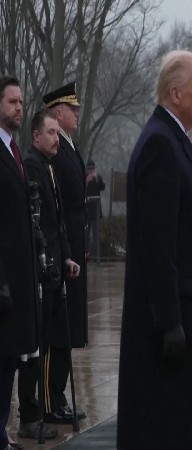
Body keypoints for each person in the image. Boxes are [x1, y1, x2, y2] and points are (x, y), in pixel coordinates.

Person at [117, 50, 192, 450]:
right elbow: (156, 245)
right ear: (175, 93)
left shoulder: (174, 139)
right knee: (172, 428)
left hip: (188, 314)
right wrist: (169, 322)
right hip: (174, 325)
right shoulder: (161, 145)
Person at [18, 109, 81, 440]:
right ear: (36, 136)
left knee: (53, 339)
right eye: (52, 133)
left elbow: (58, 221)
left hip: (57, 264)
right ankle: (38, 409)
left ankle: (46, 405)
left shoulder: (50, 166)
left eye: (59, 133)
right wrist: (49, 260)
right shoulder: (31, 165)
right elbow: (37, 223)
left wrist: (67, 255)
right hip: (43, 271)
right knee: (39, 345)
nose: (57, 139)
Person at [42, 81, 87, 423]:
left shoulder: (70, 146)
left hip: (72, 247)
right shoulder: (57, 152)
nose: (77, 113)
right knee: (59, 327)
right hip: (62, 247)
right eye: (72, 109)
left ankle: (58, 394)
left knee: (69, 327)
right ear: (58, 112)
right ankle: (51, 397)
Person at [0, 75, 38, 450]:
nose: (19, 108)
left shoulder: (14, 150)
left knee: (10, 360)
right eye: (12, 102)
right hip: (4, 281)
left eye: (21, 102)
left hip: (19, 278)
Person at [85, 159, 105, 261]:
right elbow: (81, 190)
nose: (91, 171)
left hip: (96, 210)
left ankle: (96, 256)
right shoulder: (85, 177)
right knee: (86, 234)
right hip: (87, 210)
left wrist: (97, 180)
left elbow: (102, 187)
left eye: (93, 168)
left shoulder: (98, 177)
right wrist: (87, 181)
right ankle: (86, 255)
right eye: (89, 169)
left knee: (96, 234)